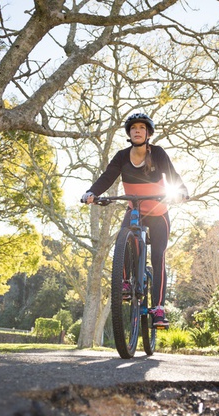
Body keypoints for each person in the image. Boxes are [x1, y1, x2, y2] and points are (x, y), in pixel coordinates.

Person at [82, 112, 188, 329]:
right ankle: (124, 284)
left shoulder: (157, 153)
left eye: (141, 128)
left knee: (158, 256)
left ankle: (158, 308)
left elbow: (172, 174)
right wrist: (92, 192)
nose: (137, 131)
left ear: (148, 133)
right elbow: (107, 176)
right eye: (133, 128)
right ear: (129, 133)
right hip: (135, 210)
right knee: (123, 242)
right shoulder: (122, 156)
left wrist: (182, 190)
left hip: (159, 214)